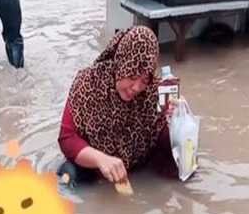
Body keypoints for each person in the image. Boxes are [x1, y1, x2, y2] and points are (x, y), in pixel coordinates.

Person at [57, 26, 177, 185]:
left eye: (144, 80)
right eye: (132, 76)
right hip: (94, 168)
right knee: (67, 176)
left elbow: (168, 144)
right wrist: (101, 159)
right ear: (121, 64)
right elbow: (67, 138)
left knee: (181, 168)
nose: (136, 88)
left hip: (138, 169)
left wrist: (177, 120)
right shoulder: (88, 82)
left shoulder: (156, 92)